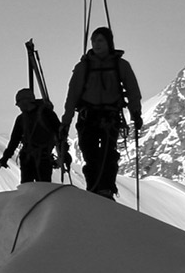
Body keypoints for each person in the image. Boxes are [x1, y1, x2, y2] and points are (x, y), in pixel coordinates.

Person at [60, 26, 143, 198]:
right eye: (94, 41)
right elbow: (72, 95)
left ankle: (104, 190)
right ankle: (96, 189)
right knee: (91, 155)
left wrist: (136, 113)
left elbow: (133, 91)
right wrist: (66, 121)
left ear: (109, 42)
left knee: (108, 155)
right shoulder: (84, 66)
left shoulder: (119, 65)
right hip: (91, 116)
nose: (96, 44)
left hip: (107, 117)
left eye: (100, 40)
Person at [0, 87, 64, 184]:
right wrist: (5, 157)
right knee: (44, 188)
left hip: (32, 159)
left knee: (28, 188)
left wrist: (5, 157)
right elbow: (60, 135)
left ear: (25, 101)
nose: (19, 107)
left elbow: (14, 141)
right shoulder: (47, 114)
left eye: (19, 104)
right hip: (42, 159)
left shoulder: (23, 118)